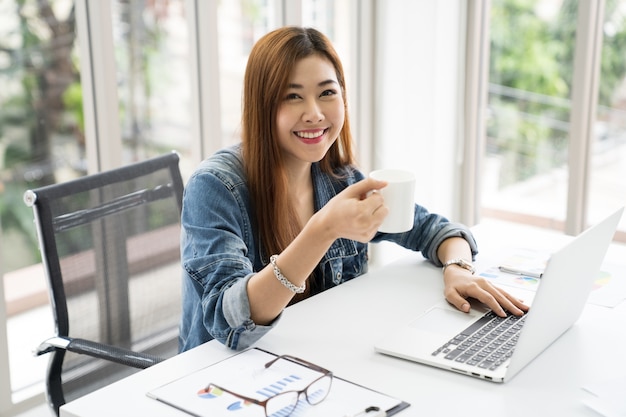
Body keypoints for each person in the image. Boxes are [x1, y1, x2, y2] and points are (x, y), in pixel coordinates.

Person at [179, 26, 528, 352]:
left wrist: (458, 269)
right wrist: (322, 229)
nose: (314, 114)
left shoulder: (339, 178)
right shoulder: (215, 187)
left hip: (319, 357)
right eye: (293, 97)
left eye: (327, 93)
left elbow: (435, 230)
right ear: (263, 107)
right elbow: (233, 322)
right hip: (223, 378)